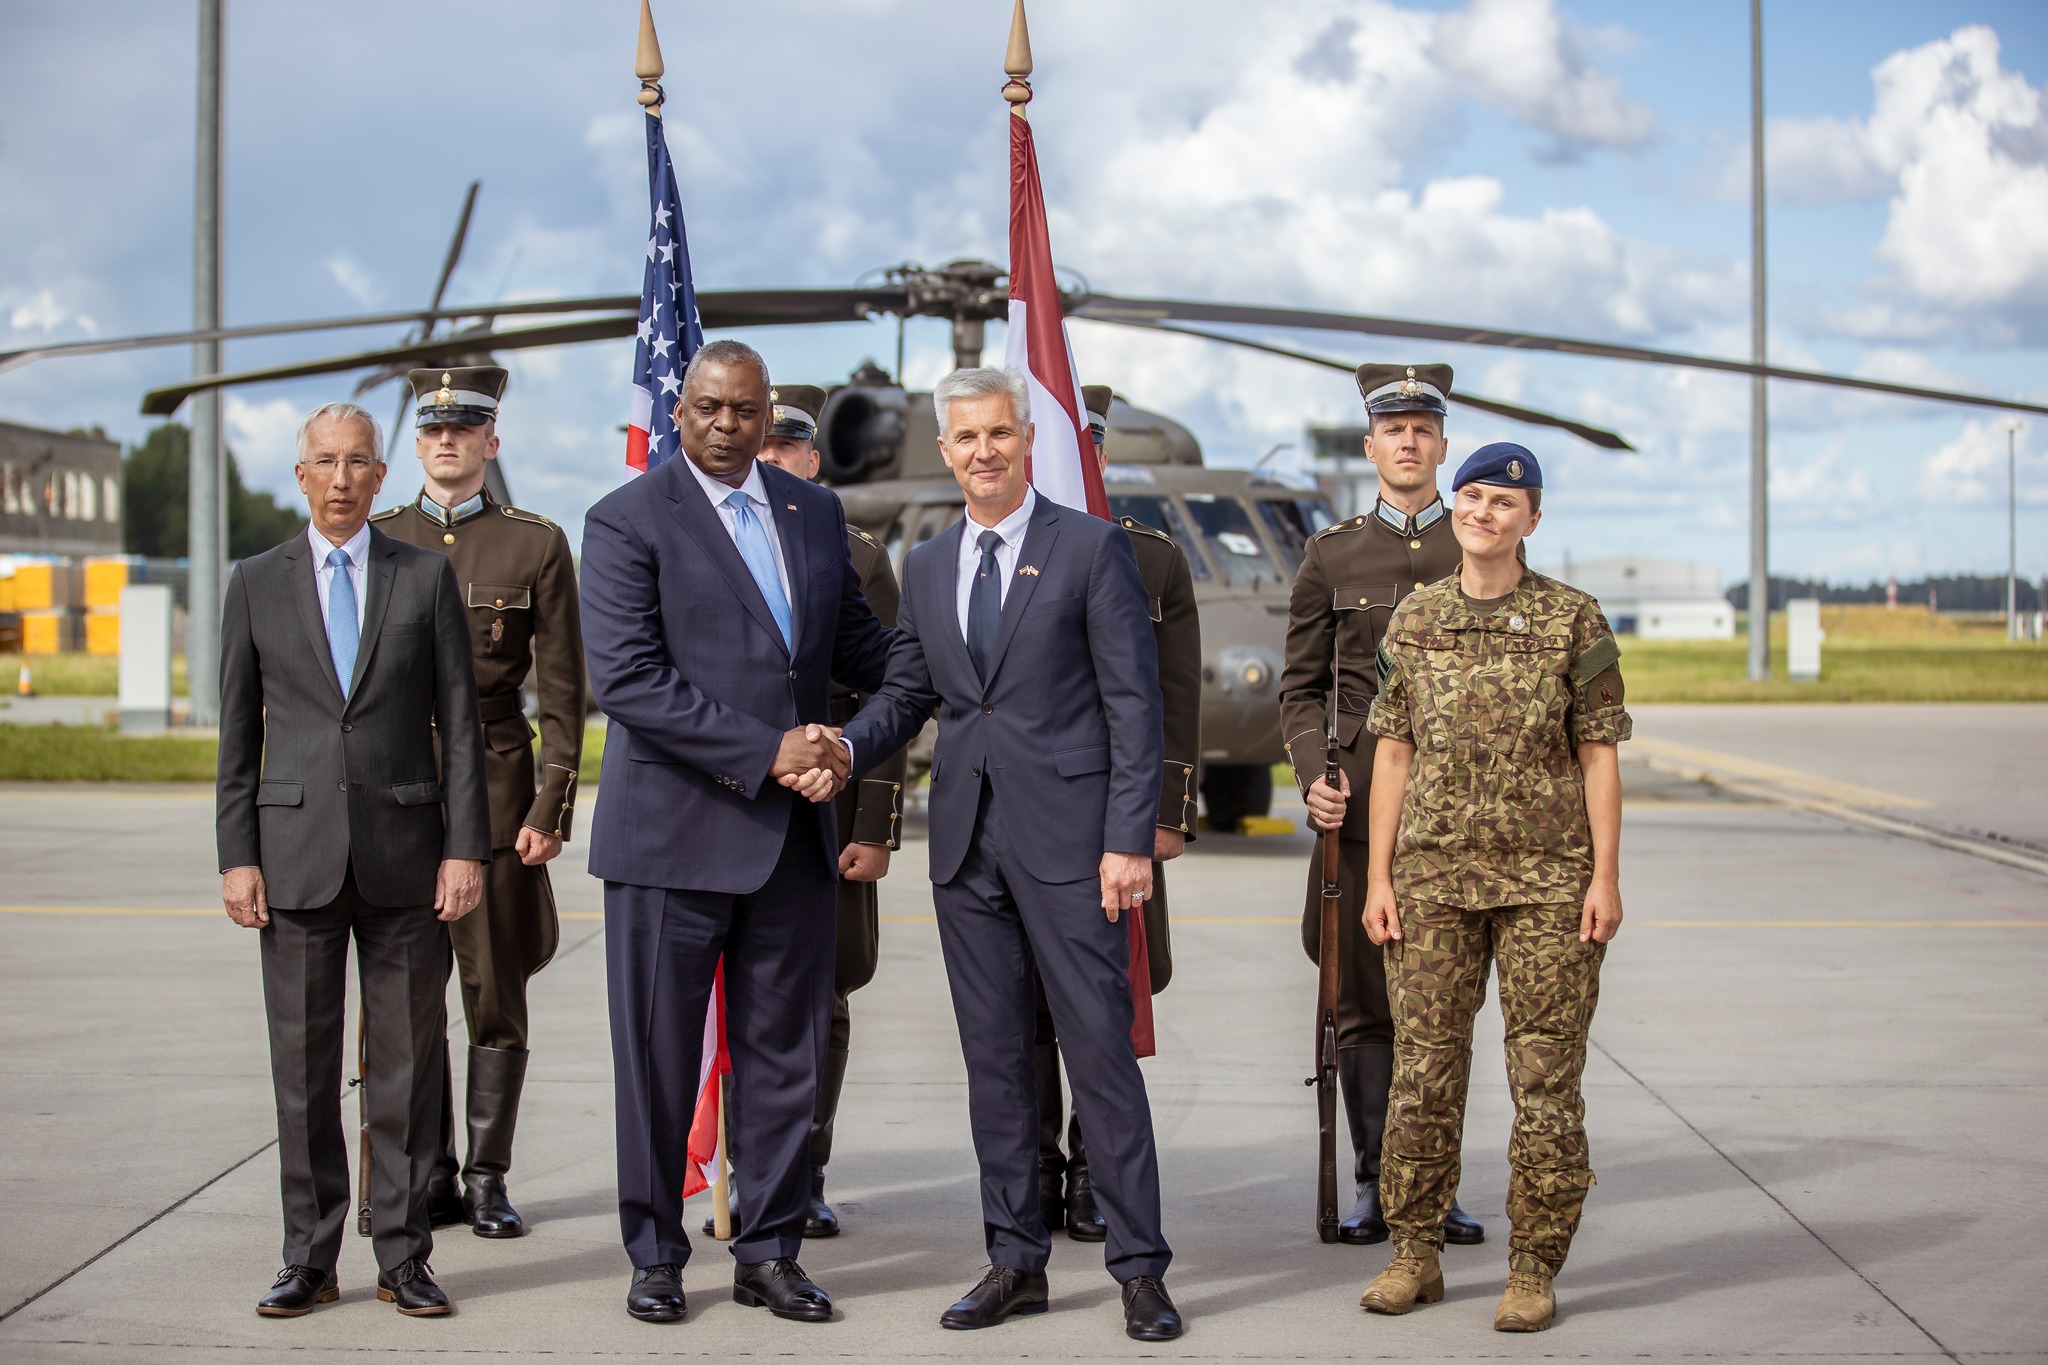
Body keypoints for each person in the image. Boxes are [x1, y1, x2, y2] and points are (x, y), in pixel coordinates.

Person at [830, 366, 1184, 1343]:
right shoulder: (935, 565)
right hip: (966, 852)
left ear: (1024, 438)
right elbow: (909, 692)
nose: (982, 451)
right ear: (945, 452)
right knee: (994, 1065)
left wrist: (1127, 840)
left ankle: (1139, 1269)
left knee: (1099, 1057)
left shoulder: (1090, 550)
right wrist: (845, 746)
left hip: (1074, 849)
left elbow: (1132, 704)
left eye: (998, 433)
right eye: (965, 438)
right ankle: (1012, 1261)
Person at [579, 340, 892, 1324]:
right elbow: (628, 680)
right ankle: (655, 1256)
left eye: (744, 410)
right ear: (680, 413)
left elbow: (860, 650)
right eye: (708, 407)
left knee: (782, 1061)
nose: (725, 424)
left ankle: (768, 1252)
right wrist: (768, 750)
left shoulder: (812, 514)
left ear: (768, 420)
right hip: (670, 836)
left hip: (790, 843)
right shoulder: (625, 519)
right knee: (658, 1057)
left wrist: (945, 661)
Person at [217, 401, 490, 1319]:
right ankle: (309, 1255)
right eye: (325, 462)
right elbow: (235, 735)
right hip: (291, 859)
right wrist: (236, 855)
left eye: (358, 462)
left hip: (408, 858)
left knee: (407, 1068)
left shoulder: (423, 577)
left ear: (382, 476)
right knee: (301, 1069)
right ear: (301, 476)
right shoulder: (255, 581)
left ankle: (405, 1253)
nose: (341, 477)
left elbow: (462, 722)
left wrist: (464, 847)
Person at [1356, 442, 1628, 1333]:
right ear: (1455, 506)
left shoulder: (1573, 620)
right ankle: (1414, 1253)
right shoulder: (1414, 619)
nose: (1482, 511)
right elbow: (1390, 750)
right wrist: (1378, 876)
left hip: (1548, 885)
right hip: (1430, 881)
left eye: (1504, 502)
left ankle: (1533, 1268)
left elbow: (1599, 752)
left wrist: (1605, 878)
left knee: (1546, 1082)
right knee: (1423, 1077)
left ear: (1532, 518)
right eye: (1471, 496)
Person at [372, 366, 587, 1239]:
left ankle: (489, 1175)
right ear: (417, 444)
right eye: (433, 430)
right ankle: (426, 1176)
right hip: (395, 801)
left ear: (491, 443)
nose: (449, 442)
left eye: (466, 429)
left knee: (494, 995)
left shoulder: (534, 543)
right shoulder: (379, 539)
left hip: (498, 795)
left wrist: (553, 803)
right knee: (405, 1002)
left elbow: (566, 692)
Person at [1278, 363, 1484, 1248]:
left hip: (1463, 816)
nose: (1407, 441)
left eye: (1422, 429)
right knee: (1363, 1005)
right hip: (1361, 814)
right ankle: (1374, 1179)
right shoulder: (1332, 555)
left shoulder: (1480, 548)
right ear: (1371, 447)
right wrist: (1309, 773)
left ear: (1442, 446)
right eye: (1392, 429)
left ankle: (1434, 1184)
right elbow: (1299, 687)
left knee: (1445, 1008)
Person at [1031, 384, 1200, 1242]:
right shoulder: (989, 549)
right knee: (1023, 1006)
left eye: (1084, 440)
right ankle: (1035, 1168)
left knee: (1109, 1002)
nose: (1074, 455)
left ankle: (1095, 1168)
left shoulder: (1153, 556)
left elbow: (1174, 696)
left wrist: (1163, 816)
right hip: (1026, 821)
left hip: (1115, 819)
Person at [749, 383, 909, 1239]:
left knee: (822, 996)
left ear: (814, 459)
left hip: (829, 804)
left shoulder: (858, 554)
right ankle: (733, 1172)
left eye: (789, 448)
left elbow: (891, 687)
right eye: (761, 445)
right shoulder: (713, 538)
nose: (773, 460)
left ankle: (804, 1170)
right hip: (730, 799)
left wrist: (876, 821)